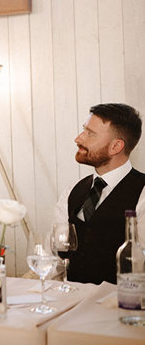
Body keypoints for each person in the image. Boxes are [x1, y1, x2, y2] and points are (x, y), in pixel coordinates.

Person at [54, 103, 144, 284]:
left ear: (116, 146)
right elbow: (56, 258)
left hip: (120, 307)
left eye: (90, 134)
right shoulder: (72, 191)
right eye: (83, 130)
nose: (78, 139)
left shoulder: (143, 194)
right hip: (71, 303)